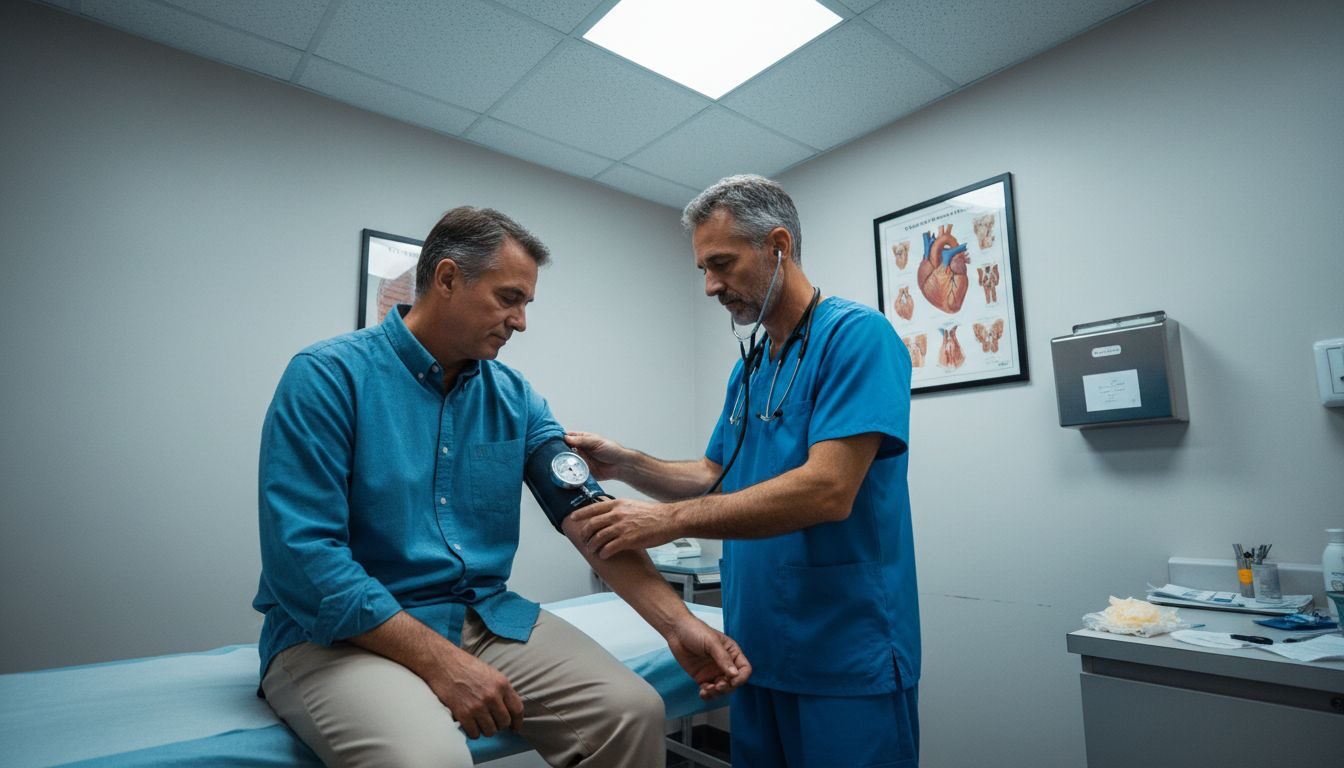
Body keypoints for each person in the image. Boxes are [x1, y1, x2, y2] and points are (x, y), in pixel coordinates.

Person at [252, 206, 750, 768]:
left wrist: (680, 627)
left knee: (633, 711)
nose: (521, 322)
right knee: (428, 760)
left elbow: (590, 519)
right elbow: (305, 558)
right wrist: (444, 664)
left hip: (482, 615)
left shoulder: (515, 398)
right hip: (342, 634)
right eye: (508, 298)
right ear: (446, 279)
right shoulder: (326, 377)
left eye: (526, 304)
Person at [565, 175, 919, 768]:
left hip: (844, 647)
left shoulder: (858, 337)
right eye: (703, 267)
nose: (710, 286)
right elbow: (714, 472)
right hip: (755, 646)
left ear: (777, 246)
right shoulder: (751, 368)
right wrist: (624, 463)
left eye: (722, 264)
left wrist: (662, 523)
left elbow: (829, 489)